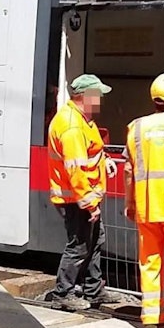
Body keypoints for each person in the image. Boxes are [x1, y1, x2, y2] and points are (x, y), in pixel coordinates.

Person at [45, 74, 116, 310]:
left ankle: (94, 291)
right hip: (76, 199)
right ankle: (62, 293)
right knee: (79, 246)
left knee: (94, 241)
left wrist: (104, 160)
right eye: (97, 96)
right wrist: (90, 205)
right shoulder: (72, 126)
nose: (100, 102)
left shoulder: (81, 119)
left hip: (82, 198)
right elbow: (75, 170)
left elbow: (91, 150)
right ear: (85, 97)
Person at [124, 73, 164, 328]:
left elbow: (129, 169)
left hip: (147, 207)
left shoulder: (136, 127)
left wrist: (130, 202)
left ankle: (151, 318)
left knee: (150, 262)